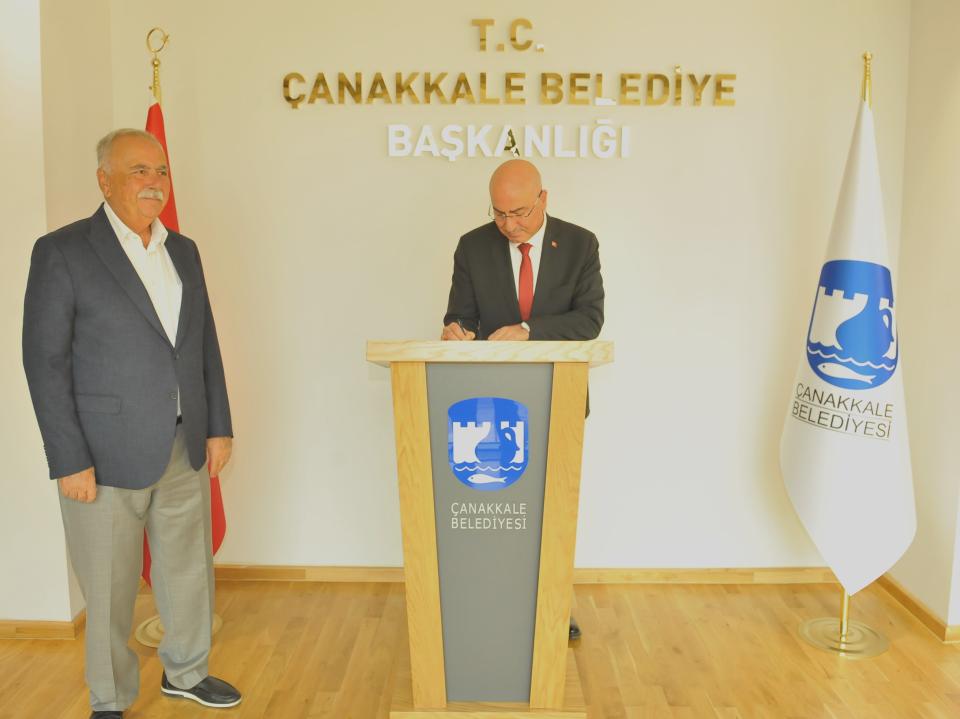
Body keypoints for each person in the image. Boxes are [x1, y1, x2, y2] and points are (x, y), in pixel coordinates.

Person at [22, 129, 241, 718]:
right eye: (139, 170)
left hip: (183, 443)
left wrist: (218, 424)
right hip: (102, 455)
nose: (154, 182)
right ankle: (110, 697)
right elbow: (43, 362)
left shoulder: (183, 250)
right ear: (105, 181)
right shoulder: (63, 251)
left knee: (188, 572)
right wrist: (68, 459)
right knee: (109, 586)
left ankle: (187, 673)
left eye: (161, 171)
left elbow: (203, 344)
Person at [441, 159, 604, 639]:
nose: (509, 225)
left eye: (519, 213)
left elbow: (590, 319)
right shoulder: (473, 246)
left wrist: (529, 330)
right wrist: (457, 330)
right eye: (499, 213)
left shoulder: (580, 244)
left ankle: (554, 607)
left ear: (543, 199)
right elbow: (460, 313)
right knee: (496, 514)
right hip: (491, 405)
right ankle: (493, 605)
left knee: (551, 511)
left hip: (559, 397)